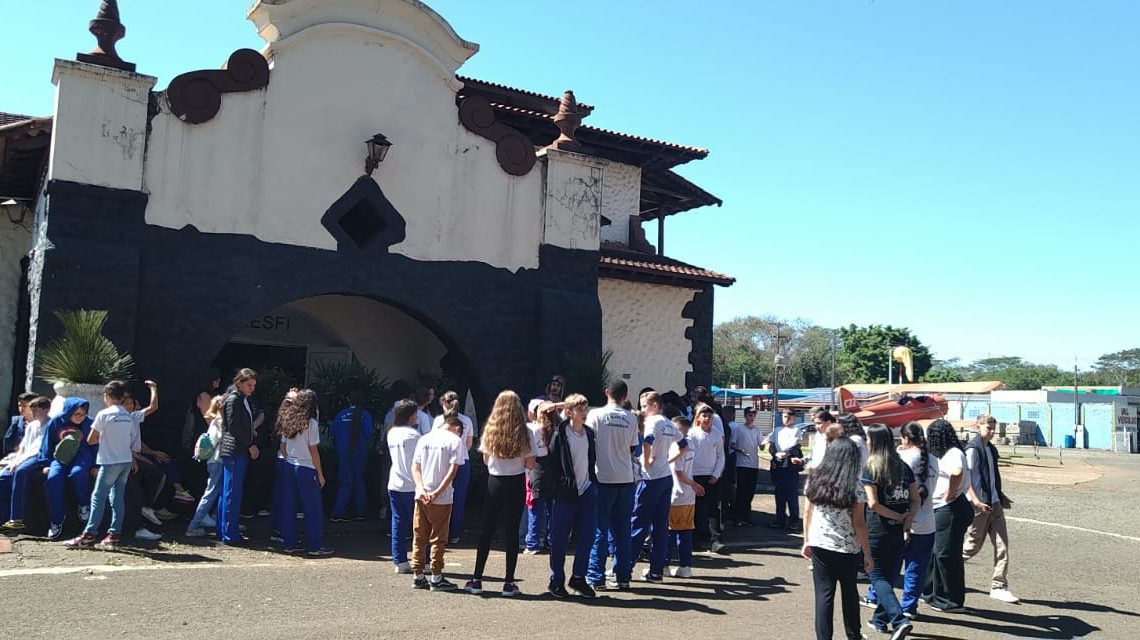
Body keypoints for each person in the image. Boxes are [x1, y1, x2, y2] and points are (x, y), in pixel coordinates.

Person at [801, 437, 874, 640]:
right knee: (849, 590)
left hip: (820, 542)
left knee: (824, 595)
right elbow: (859, 523)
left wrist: (806, 540)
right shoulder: (855, 487)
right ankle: (853, 634)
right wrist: (867, 553)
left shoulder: (815, 480)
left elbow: (807, 512)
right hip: (847, 546)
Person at [466, 390, 535, 597]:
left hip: (495, 482)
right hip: (516, 482)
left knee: (487, 529)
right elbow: (530, 463)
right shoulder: (526, 432)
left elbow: (486, 460)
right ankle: (508, 582)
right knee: (511, 531)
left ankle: (477, 579)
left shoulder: (491, 428)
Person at [63, 381, 142, 550]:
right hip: (125, 460)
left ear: (106, 396)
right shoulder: (128, 415)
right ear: (122, 397)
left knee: (98, 498)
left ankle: (89, 535)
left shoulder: (104, 414)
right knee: (117, 498)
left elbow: (91, 439)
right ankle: (114, 536)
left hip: (109, 461)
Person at [860, 424, 919, 638]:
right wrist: (907, 517)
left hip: (877, 531)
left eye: (867, 439)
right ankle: (879, 620)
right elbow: (915, 499)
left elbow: (873, 504)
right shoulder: (903, 467)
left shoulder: (871, 469)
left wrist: (901, 517)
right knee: (890, 577)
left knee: (877, 577)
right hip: (898, 532)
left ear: (873, 442)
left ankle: (899, 619)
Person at [585, 379, 640, 590]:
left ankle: (596, 576)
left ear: (606, 392)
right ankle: (623, 576)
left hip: (603, 477)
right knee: (622, 529)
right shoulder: (631, 418)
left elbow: (588, 442)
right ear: (625, 396)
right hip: (625, 477)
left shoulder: (596, 415)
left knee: (599, 528)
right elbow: (633, 448)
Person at [546, 393, 599, 599]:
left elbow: (590, 459)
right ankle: (556, 580)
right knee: (559, 539)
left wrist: (593, 485)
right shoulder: (559, 434)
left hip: (586, 491)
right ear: (569, 412)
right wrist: (560, 485)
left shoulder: (589, 433)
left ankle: (578, 577)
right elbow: (551, 465)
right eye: (580, 409)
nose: (584, 413)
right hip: (565, 493)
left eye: (586, 409)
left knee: (588, 536)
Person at [628, 391, 683, 582]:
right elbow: (684, 445)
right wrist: (669, 460)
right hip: (666, 477)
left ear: (655, 405)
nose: (642, 410)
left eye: (644, 406)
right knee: (660, 526)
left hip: (650, 478)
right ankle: (656, 570)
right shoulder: (669, 422)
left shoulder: (653, 422)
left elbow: (648, 440)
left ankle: (625, 568)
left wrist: (648, 459)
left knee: (638, 523)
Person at [963, 415, 1019, 604]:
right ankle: (938, 574)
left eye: (994, 428)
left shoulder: (991, 449)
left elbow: (992, 477)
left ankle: (999, 586)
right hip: (980, 505)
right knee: (971, 547)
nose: (992, 432)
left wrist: (1000, 496)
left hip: (994, 504)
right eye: (989, 428)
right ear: (978, 427)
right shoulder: (973, 450)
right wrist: (976, 501)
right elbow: (966, 479)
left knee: (1002, 545)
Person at [922, 419, 973, 613]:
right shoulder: (946, 453)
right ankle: (932, 593)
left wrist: (950, 493)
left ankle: (950, 600)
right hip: (943, 507)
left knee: (946, 554)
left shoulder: (953, 453)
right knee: (935, 552)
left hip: (951, 508)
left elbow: (957, 472)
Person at [410, 414, 465, 590]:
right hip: (441, 498)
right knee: (438, 538)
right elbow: (452, 471)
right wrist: (436, 493)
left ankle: (418, 575)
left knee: (419, 536)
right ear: (456, 428)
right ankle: (436, 575)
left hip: (421, 495)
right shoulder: (455, 441)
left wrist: (422, 489)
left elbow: (415, 467)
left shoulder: (424, 439)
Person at [277, 389, 332, 557]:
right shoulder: (312, 423)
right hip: (306, 468)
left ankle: (290, 543)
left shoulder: (289, 418)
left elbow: (283, 447)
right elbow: (313, 450)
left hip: (289, 465)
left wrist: (290, 459)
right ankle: (315, 545)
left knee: (289, 506)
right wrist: (320, 473)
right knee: (313, 509)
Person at [39, 397, 94, 540]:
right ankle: (56, 520)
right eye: (77, 414)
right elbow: (47, 443)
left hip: (82, 456)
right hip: (60, 456)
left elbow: (96, 445)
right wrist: (46, 463)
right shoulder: (57, 421)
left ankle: (83, 504)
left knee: (78, 474)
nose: (80, 417)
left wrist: (96, 465)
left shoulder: (89, 423)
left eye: (83, 414)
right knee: (54, 478)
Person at [217, 368, 260, 545]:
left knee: (229, 491)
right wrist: (250, 444)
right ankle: (229, 533)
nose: (252, 388)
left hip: (234, 449)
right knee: (232, 492)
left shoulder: (238, 398)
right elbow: (234, 427)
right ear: (239, 383)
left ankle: (225, 530)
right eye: (249, 385)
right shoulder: (235, 399)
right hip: (235, 450)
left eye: (253, 385)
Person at [0, 395, 51, 530]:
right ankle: (3, 517)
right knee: (3, 477)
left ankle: (16, 518)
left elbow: (39, 449)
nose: (32, 413)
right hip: (24, 456)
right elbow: (23, 446)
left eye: (36, 410)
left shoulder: (50, 425)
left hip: (37, 457)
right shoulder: (32, 425)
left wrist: (20, 462)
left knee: (21, 472)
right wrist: (16, 460)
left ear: (45, 410)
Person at [432, 391, 474, 543]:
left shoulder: (438, 421)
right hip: (462, 461)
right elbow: (469, 444)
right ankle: (454, 534)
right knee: (459, 498)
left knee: (440, 496)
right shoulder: (467, 420)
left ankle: (440, 532)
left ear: (444, 403)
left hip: (442, 462)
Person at [329, 391, 375, 522]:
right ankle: (360, 512)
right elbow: (369, 433)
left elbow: (332, 431)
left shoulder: (341, 414)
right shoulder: (365, 415)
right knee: (359, 481)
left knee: (345, 482)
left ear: (350, 400)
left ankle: (338, 511)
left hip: (343, 452)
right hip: (359, 452)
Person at [387, 399, 421, 574]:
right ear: (410, 416)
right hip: (412, 484)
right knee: (420, 524)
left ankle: (399, 560)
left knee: (398, 521)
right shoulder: (414, 436)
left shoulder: (392, 432)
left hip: (394, 481)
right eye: (415, 414)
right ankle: (423, 559)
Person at [666, 415, 702, 578]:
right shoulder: (691, 444)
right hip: (688, 495)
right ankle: (685, 566)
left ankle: (664, 564)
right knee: (686, 531)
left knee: (669, 532)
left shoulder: (676, 446)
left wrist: (692, 484)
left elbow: (678, 472)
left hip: (676, 493)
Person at [187, 395, 225, 537]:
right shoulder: (220, 421)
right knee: (211, 492)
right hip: (218, 460)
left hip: (213, 461)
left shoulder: (214, 421)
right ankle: (194, 525)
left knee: (217, 491)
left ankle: (218, 518)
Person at [689, 403, 725, 552]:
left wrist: (716, 474)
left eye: (710, 416)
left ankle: (715, 540)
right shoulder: (691, 434)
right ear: (698, 418)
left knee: (713, 509)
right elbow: (688, 456)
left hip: (711, 476)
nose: (707, 419)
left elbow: (720, 456)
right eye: (704, 416)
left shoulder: (717, 434)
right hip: (695, 476)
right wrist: (690, 479)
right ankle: (694, 540)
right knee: (696, 509)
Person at [524, 401, 558, 555]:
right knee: (553, 509)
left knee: (535, 508)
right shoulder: (557, 430)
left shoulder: (533, 429)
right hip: (553, 469)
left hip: (537, 469)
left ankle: (532, 543)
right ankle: (552, 541)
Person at [764, 408, 805, 530]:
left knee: (792, 495)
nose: (785, 419)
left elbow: (796, 446)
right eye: (784, 416)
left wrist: (787, 453)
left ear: (793, 417)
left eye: (788, 416)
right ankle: (780, 519)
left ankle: (794, 520)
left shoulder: (797, 430)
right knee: (779, 495)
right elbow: (771, 446)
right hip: (778, 467)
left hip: (791, 467)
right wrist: (775, 454)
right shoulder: (777, 430)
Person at [730, 406, 763, 526]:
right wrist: (741, 450)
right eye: (750, 415)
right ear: (745, 416)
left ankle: (746, 515)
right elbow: (732, 445)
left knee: (750, 491)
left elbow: (761, 445)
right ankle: (737, 516)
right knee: (741, 491)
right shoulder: (739, 429)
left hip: (754, 464)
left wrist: (766, 443)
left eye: (754, 415)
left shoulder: (757, 430)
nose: (752, 417)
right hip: (742, 464)